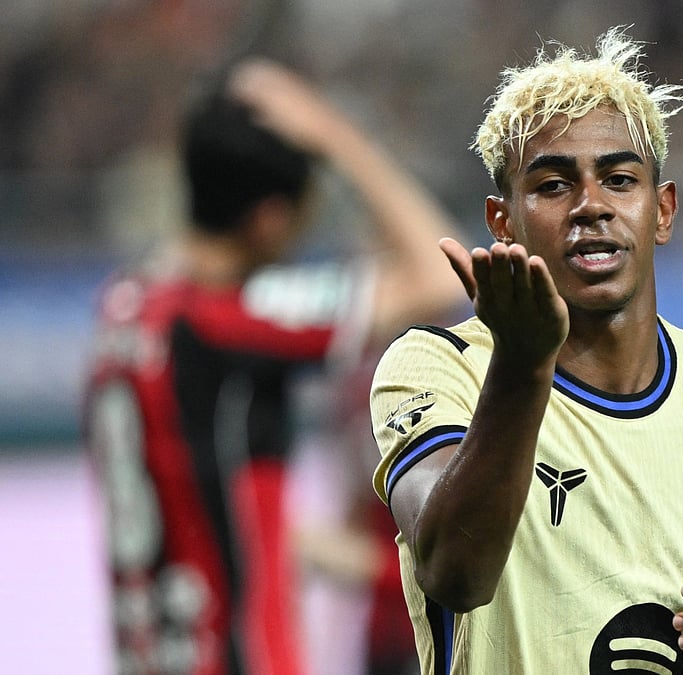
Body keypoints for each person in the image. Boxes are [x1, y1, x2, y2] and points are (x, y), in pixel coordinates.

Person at [369, 26, 683, 674]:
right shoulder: (440, 364)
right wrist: (523, 362)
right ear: (503, 222)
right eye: (553, 185)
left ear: (662, 210)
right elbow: (455, 574)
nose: (591, 205)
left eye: (618, 179)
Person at [83, 58, 464, 675]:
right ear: (270, 219)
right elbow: (438, 272)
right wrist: (334, 134)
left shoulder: (125, 307)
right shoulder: (228, 319)